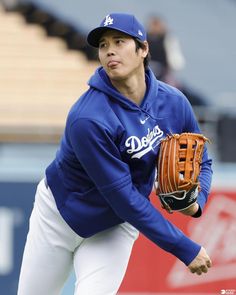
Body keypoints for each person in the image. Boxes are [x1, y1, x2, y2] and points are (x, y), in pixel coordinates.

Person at [17, 13, 213, 295]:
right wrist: (184, 247)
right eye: (103, 44)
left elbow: (203, 158)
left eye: (119, 41)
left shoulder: (173, 102)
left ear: (143, 49)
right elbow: (124, 198)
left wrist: (198, 202)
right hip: (59, 217)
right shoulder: (88, 118)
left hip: (114, 227)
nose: (109, 50)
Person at [147, 15, 209, 106]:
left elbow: (176, 63)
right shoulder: (144, 40)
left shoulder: (168, 40)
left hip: (163, 76)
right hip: (149, 74)